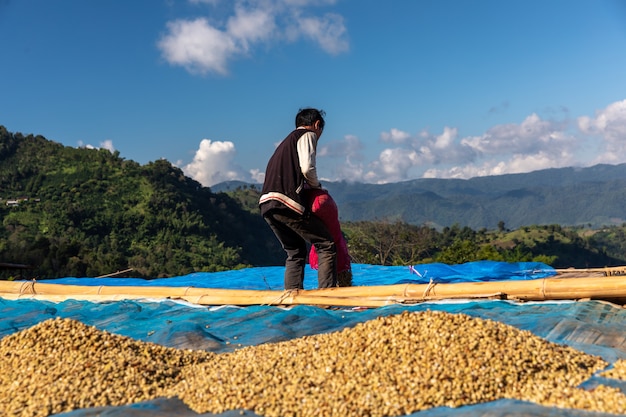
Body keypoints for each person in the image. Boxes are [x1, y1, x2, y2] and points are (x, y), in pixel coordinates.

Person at [259, 108, 337, 290]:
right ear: (317, 125)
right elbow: (307, 168)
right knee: (326, 243)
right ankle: (328, 296)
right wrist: (317, 186)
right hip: (287, 201)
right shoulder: (307, 134)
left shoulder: (285, 144)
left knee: (295, 251)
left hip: (267, 204)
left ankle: (291, 298)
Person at [307, 188, 352, 287]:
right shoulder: (326, 203)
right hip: (335, 244)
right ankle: (338, 284)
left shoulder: (313, 202)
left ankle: (328, 285)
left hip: (325, 243)